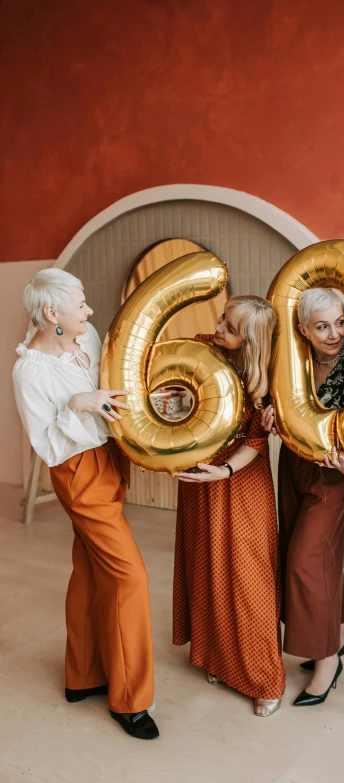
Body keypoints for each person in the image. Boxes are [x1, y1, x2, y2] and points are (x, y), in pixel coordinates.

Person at [13, 268, 158, 740]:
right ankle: (131, 701)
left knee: (92, 567)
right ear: (52, 313)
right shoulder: (28, 371)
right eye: (80, 304)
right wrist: (78, 403)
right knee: (129, 577)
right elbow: (49, 448)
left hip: (111, 459)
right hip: (77, 471)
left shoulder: (89, 336)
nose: (90, 311)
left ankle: (84, 675)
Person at [173, 295, 286, 717]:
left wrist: (225, 472)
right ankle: (217, 658)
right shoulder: (202, 348)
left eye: (231, 327)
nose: (220, 328)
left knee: (247, 577)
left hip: (240, 482)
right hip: (200, 476)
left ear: (252, 341)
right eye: (223, 319)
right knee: (205, 568)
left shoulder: (268, 378)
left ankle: (263, 678)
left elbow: (257, 442)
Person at [262, 288, 344, 707]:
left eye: (340, 323)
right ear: (303, 329)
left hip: (333, 471)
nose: (334, 334)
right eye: (323, 326)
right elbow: (276, 399)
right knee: (315, 554)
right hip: (292, 464)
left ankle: (327, 660)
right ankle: (343, 634)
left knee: (305, 560)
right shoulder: (293, 360)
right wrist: (270, 410)